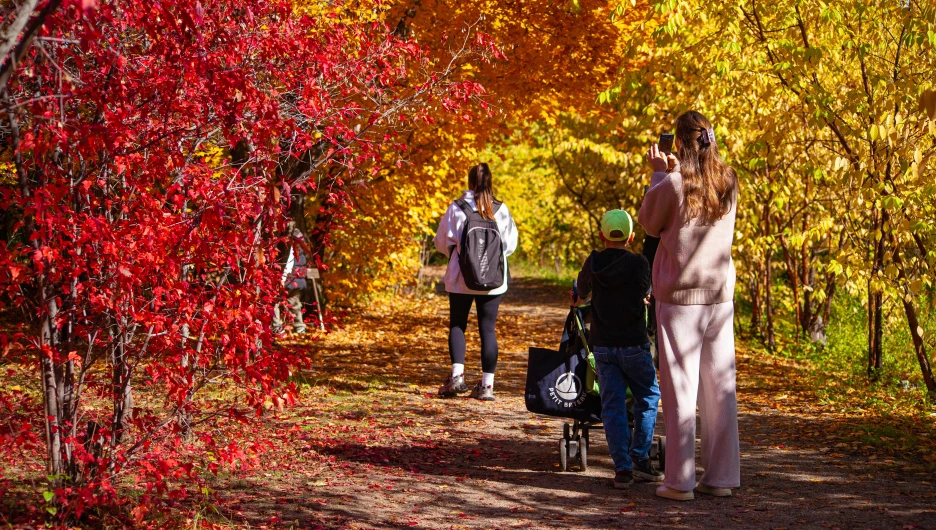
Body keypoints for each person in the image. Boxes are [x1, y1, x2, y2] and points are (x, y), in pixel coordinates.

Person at [638, 111, 740, 501]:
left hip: (680, 297)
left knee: (680, 387)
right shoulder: (728, 180)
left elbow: (649, 223)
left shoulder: (674, 184)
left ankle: (679, 482)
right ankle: (721, 478)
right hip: (719, 296)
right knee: (720, 388)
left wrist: (657, 175)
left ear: (679, 142)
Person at [574, 209, 663, 488]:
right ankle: (640, 457)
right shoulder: (638, 264)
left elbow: (580, 296)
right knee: (648, 397)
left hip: (603, 347)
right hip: (634, 345)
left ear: (602, 235)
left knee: (611, 404)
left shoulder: (594, 261)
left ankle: (622, 469)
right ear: (631, 236)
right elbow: (647, 292)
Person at [434, 163, 518, 401]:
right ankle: (487, 387)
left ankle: (457, 377)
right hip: (493, 280)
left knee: (458, 324)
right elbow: (509, 246)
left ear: (470, 182)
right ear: (490, 182)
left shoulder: (456, 208)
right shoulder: (501, 210)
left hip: (461, 277)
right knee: (488, 329)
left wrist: (458, 253)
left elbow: (441, 242)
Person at [273, 226, 309, 335]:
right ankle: (300, 327)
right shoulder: (302, 248)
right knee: (295, 304)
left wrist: (282, 279)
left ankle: (277, 326)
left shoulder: (291, 248)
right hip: (299, 281)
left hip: (289, 280)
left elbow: (288, 265)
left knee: (274, 302)